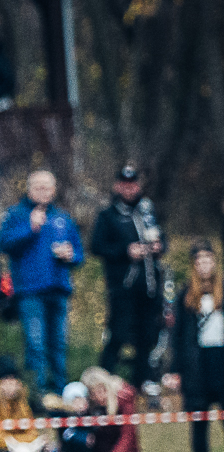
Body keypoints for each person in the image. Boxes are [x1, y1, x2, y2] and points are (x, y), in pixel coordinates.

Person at [0, 170, 84, 401]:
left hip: (59, 289)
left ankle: (60, 392)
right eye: (38, 187)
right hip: (30, 291)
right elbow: (4, 243)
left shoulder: (62, 217)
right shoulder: (16, 214)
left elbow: (79, 253)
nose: (43, 191)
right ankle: (39, 394)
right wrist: (30, 228)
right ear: (29, 189)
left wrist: (71, 255)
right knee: (36, 344)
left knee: (59, 343)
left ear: (54, 190)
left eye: (47, 187)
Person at [93, 164, 167, 390]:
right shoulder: (108, 215)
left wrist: (159, 246)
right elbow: (97, 246)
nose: (129, 189)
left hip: (149, 287)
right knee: (118, 335)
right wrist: (126, 251)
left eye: (133, 184)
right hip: (123, 288)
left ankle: (140, 384)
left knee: (147, 337)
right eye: (124, 184)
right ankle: (102, 383)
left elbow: (163, 240)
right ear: (117, 186)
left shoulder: (148, 211)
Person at [171, 243, 223, 452]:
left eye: (208, 259)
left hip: (220, 363)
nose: (204, 265)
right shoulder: (185, 295)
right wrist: (175, 371)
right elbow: (177, 336)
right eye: (199, 260)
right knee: (199, 428)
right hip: (197, 368)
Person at [53, 367, 140, 452]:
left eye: (102, 390)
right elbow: (67, 430)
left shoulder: (123, 401)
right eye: (94, 394)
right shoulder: (87, 408)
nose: (99, 397)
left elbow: (127, 436)